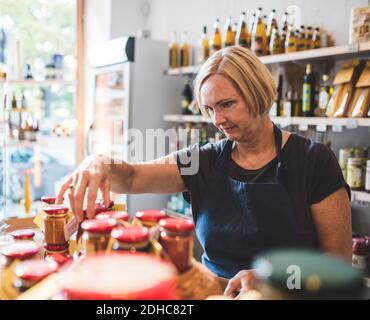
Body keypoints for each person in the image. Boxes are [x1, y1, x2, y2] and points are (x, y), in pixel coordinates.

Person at [57, 46, 351, 298]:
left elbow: (337, 265)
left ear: (258, 93)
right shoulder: (203, 161)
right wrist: (100, 162)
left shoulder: (313, 160)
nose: (218, 120)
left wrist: (270, 279)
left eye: (227, 104)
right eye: (209, 109)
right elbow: (133, 176)